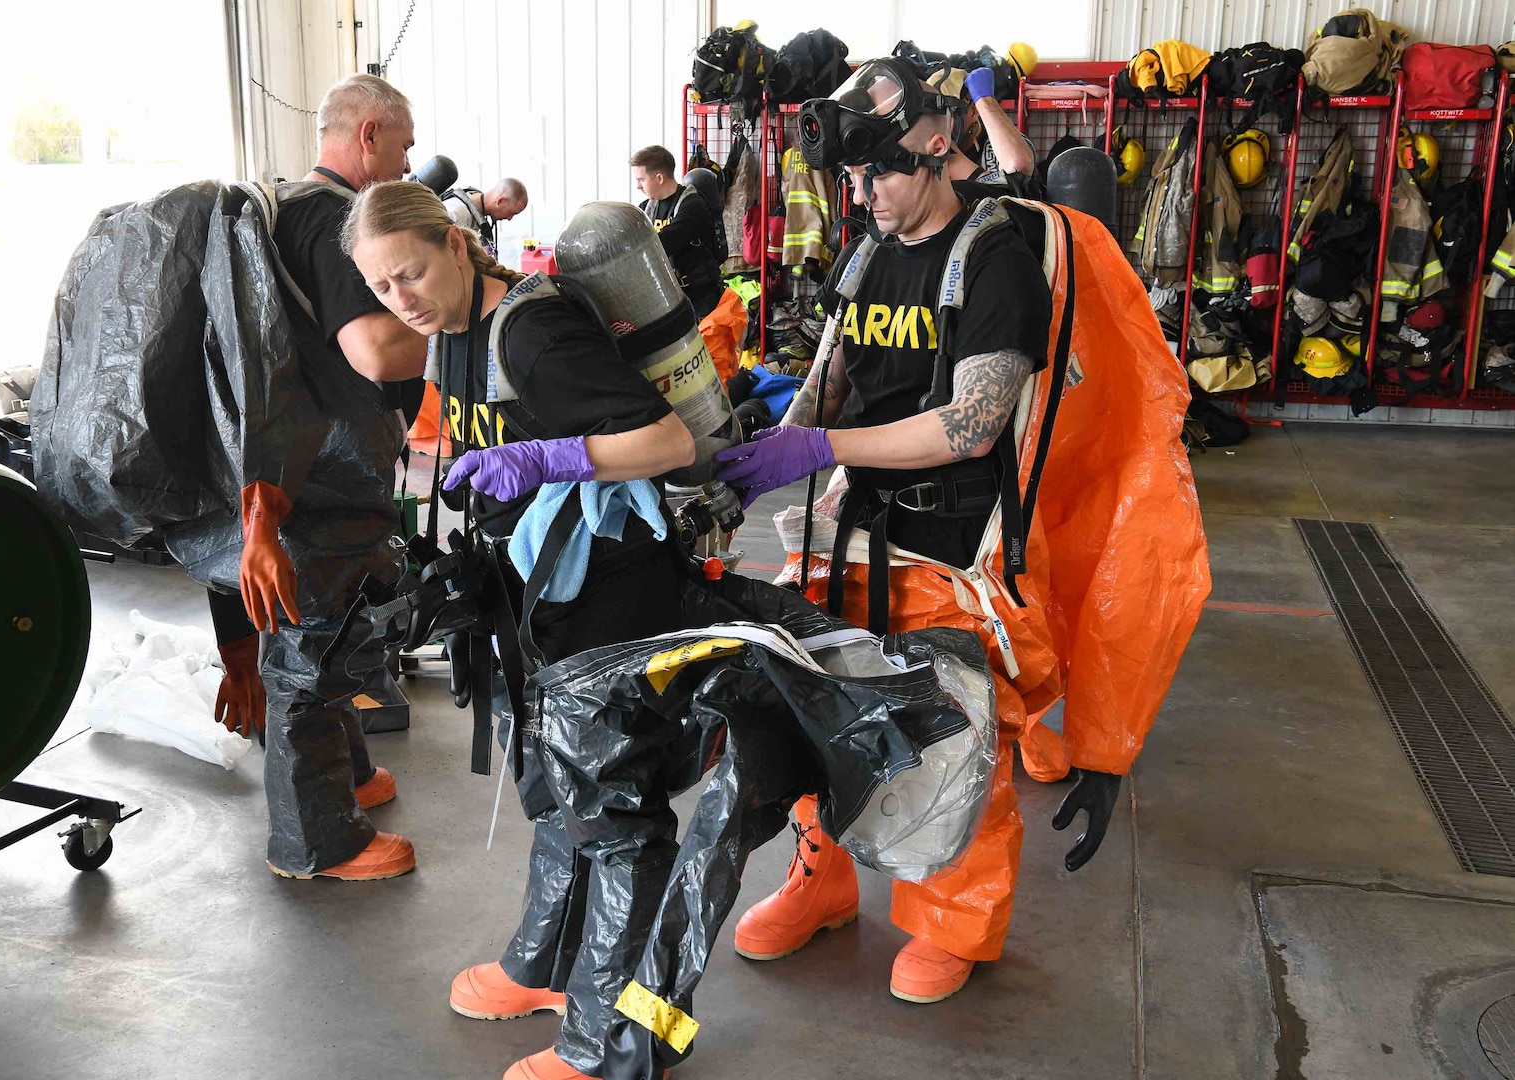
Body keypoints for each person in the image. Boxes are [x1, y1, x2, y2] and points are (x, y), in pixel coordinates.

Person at [712, 58, 1121, 1005]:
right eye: (855, 180)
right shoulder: (865, 254)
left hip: (955, 542)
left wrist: (820, 444)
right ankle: (826, 881)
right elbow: (828, 376)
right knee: (817, 711)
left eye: (882, 174)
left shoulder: (994, 261)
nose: (869, 195)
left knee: (954, 736)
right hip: (852, 530)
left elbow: (970, 425)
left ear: (938, 144)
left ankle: (957, 923)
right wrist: (764, 456)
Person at [342, 180, 698, 1080]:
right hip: (537, 605)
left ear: (457, 246)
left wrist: (550, 456)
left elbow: (668, 444)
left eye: (412, 273)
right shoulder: (450, 339)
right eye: (382, 289)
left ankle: (625, 1040)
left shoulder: (531, 333)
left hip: (612, 601)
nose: (403, 300)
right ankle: (545, 968)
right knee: (557, 787)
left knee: (617, 815)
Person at [216, 72, 430, 882]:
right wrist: (459, 319)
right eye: (403, 146)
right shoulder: (342, 220)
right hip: (334, 461)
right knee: (311, 641)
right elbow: (374, 349)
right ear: (368, 134)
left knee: (329, 623)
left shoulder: (280, 208)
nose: (407, 167)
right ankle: (316, 842)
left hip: (303, 455)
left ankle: (353, 778)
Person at [631, 144, 724, 320]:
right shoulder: (645, 209)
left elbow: (662, 244)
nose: (637, 186)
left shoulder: (693, 206)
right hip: (669, 300)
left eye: (641, 179)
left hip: (701, 303)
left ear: (659, 178)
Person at [943, 66, 1037, 188]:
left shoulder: (997, 148)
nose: (939, 123)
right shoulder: (928, 149)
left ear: (973, 111)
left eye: (948, 113)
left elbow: (1019, 167)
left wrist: (985, 101)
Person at [443, 177, 529, 256]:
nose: (509, 218)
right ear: (501, 201)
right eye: (511, 213)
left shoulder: (478, 212)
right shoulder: (457, 214)